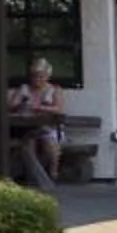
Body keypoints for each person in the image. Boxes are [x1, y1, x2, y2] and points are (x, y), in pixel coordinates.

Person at [10, 58, 67, 187]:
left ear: (48, 77)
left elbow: (59, 109)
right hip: (24, 127)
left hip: (48, 126)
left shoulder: (54, 89)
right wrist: (19, 101)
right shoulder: (24, 88)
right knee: (26, 143)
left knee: (49, 144)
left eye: (42, 76)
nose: (38, 79)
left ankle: (52, 172)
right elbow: (12, 105)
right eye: (35, 76)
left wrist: (41, 107)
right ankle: (32, 177)